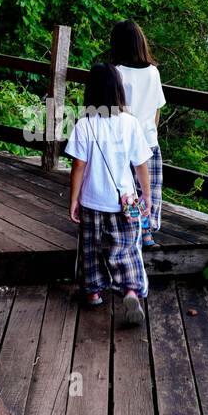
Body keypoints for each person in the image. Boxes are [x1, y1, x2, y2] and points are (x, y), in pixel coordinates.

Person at [65, 63, 152, 326]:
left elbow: (78, 166)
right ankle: (130, 290)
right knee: (126, 249)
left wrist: (74, 199)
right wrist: (146, 195)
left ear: (90, 91)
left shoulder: (84, 124)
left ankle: (92, 292)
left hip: (92, 201)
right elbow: (141, 164)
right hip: (124, 202)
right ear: (118, 91)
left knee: (90, 248)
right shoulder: (131, 124)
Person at [109, 20, 167, 246]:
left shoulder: (117, 72)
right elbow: (157, 110)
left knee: (125, 188)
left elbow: (113, 109)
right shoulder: (154, 72)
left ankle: (125, 230)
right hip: (148, 141)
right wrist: (151, 133)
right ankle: (146, 233)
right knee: (147, 189)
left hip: (123, 142)